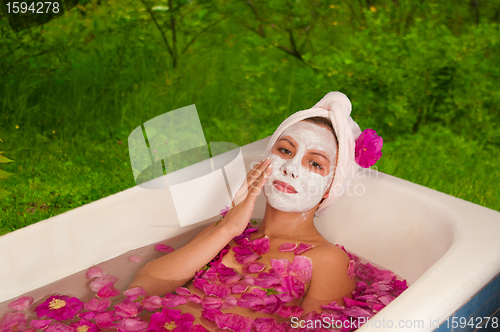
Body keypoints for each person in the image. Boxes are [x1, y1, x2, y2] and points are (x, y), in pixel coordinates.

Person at [128, 91, 383, 330]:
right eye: (285, 150)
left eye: (314, 163)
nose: (291, 167)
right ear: (265, 160)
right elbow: (143, 287)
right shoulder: (231, 229)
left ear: (330, 188)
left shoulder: (329, 259)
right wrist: (228, 227)